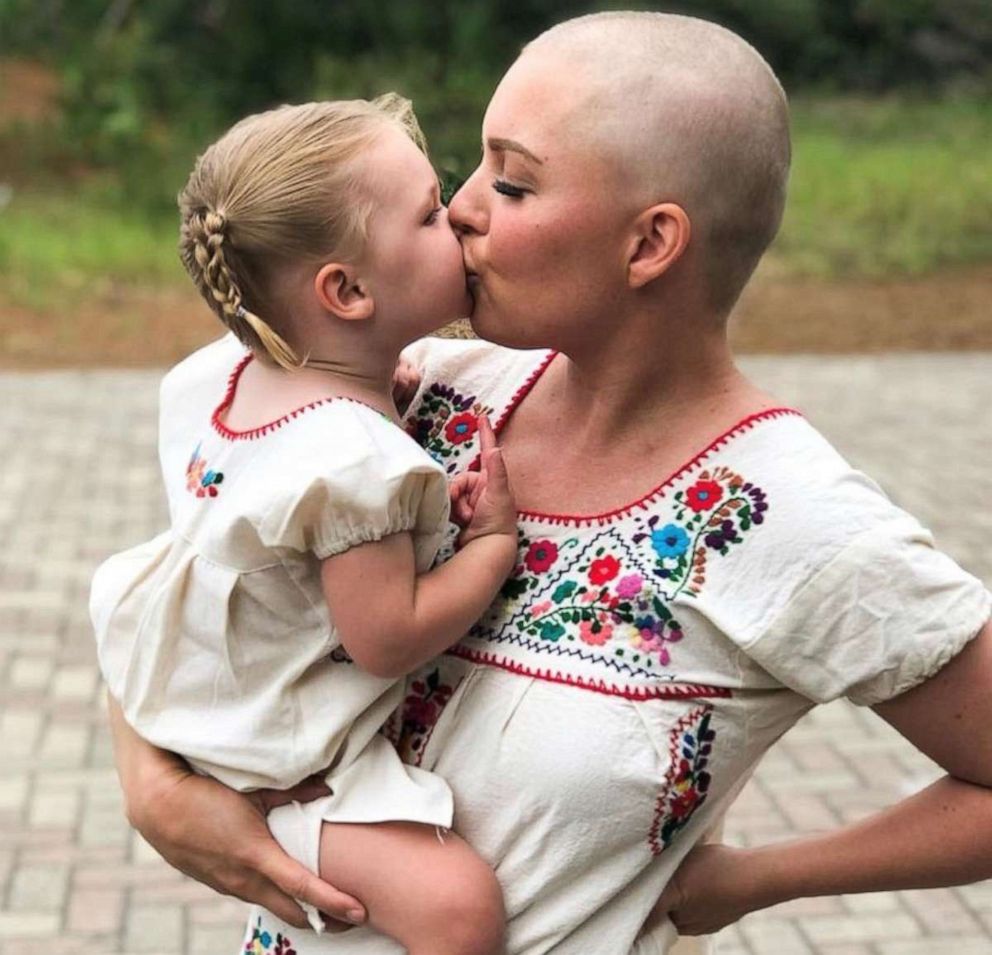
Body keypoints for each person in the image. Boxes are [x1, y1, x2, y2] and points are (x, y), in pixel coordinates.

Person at [105, 11, 992, 955]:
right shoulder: (416, 400)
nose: (461, 211)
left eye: (514, 183)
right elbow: (200, 589)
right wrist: (157, 788)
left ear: (650, 243)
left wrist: (752, 880)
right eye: (472, 169)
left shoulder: (795, 519)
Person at [91, 97, 515, 955]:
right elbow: (385, 638)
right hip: (274, 753)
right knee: (460, 912)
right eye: (431, 213)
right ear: (348, 291)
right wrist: (491, 549)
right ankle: (277, 833)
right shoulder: (354, 461)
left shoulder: (217, 373)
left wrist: (376, 389)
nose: (460, 217)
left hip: (198, 679)